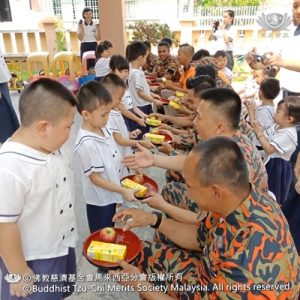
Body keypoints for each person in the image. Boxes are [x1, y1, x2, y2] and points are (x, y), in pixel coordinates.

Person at [112, 137, 300, 300]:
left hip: (223, 286)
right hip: (210, 276)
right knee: (139, 253)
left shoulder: (245, 264)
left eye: (190, 186)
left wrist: (143, 287)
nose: (188, 194)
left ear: (216, 191)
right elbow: (200, 237)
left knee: (143, 278)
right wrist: (153, 219)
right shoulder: (241, 199)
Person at [123, 88, 269, 226]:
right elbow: (193, 161)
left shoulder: (234, 160)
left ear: (219, 127)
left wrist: (161, 210)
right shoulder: (228, 142)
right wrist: (154, 159)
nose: (194, 122)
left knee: (171, 193)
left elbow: (204, 221)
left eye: (199, 117)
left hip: (236, 230)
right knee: (173, 184)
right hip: (225, 219)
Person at [0, 78, 78, 299]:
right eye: (68, 126)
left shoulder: (48, 147)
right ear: (44, 127)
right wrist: (17, 272)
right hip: (33, 260)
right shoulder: (10, 167)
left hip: (60, 245)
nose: (70, 133)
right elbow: (3, 225)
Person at [74, 81, 136, 233]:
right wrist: (121, 190)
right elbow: (95, 179)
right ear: (86, 115)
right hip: (100, 200)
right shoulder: (86, 143)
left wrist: (133, 164)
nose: (108, 117)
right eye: (104, 114)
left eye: (109, 112)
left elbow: (114, 155)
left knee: (111, 229)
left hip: (112, 192)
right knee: (101, 234)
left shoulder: (103, 127)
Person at [252, 96, 300, 205]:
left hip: (277, 167)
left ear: (289, 119)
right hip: (271, 162)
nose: (274, 113)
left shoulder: (287, 134)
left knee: (272, 193)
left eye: (278, 112)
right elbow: (266, 135)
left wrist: (259, 133)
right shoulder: (278, 126)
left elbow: (269, 149)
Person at [128, 41, 162, 135]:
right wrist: (153, 100)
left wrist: (153, 94)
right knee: (143, 129)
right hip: (142, 106)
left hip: (137, 105)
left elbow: (142, 89)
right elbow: (140, 93)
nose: (146, 60)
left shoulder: (131, 70)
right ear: (140, 58)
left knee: (142, 127)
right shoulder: (137, 74)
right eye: (146, 57)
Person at [109, 54, 147, 131]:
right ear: (114, 70)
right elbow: (122, 109)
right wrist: (137, 119)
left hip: (130, 115)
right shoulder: (114, 87)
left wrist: (142, 114)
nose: (126, 74)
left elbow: (131, 103)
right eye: (124, 71)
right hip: (123, 117)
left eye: (127, 71)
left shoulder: (124, 84)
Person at [0, 48, 19, 144]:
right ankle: (7, 139)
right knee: (3, 111)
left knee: (6, 109)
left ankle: (11, 138)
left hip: (2, 80)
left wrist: (8, 76)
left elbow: (1, 60)